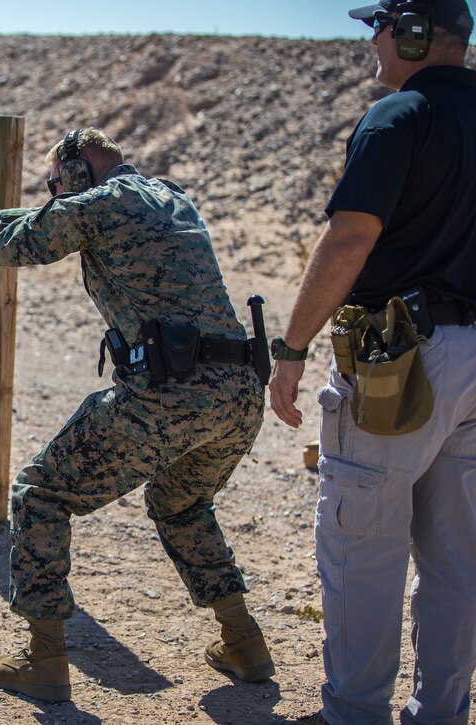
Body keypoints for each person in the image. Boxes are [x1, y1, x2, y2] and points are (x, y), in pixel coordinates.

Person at [0, 128, 273, 702]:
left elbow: (11, 247)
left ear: (75, 172)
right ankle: (244, 643)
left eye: (57, 182)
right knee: (181, 503)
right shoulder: (166, 195)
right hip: (239, 394)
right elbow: (44, 216)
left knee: (41, 494)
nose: (56, 193)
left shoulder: (95, 206)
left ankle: (44, 660)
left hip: (171, 397)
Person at [268, 1, 476, 723]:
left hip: (402, 362)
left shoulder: (397, 116)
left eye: (382, 26)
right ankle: (441, 713)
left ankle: (354, 712)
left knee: (364, 546)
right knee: (457, 560)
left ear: (417, 32)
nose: (374, 41)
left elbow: (350, 239)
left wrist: (290, 347)